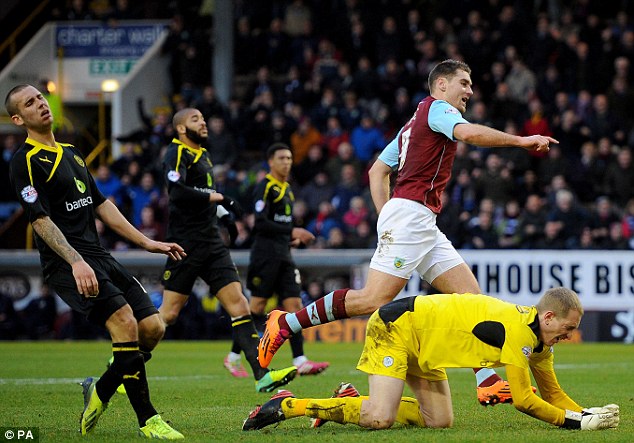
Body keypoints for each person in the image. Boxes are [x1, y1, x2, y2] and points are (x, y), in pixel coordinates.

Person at [259, 59, 557, 405]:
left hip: (419, 219)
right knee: (372, 299)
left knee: (472, 300)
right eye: (464, 82)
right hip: (411, 216)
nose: (470, 91)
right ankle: (286, 324)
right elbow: (470, 134)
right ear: (441, 84)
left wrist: (387, 213)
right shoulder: (437, 110)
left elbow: (377, 171)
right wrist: (522, 141)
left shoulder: (411, 126)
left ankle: (488, 379)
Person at [6, 84, 186, 439]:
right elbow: (40, 219)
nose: (41, 104)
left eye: (41, 98)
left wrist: (147, 242)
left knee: (154, 328)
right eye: (30, 103)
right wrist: (75, 261)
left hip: (99, 256)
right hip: (66, 263)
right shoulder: (24, 162)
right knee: (124, 323)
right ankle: (148, 420)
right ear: (18, 118)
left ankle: (101, 389)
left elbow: (102, 206)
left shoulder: (73, 153)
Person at [244, 288, 620, 432]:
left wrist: (585, 412)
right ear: (549, 317)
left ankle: (348, 401)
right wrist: (576, 426)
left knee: (438, 421)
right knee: (379, 418)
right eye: (567, 328)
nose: (569, 336)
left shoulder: (542, 341)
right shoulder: (521, 332)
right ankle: (289, 405)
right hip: (397, 325)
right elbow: (523, 400)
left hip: (425, 339)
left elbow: (553, 394)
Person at [157, 108, 297, 392]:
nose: (203, 122)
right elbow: (178, 191)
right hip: (186, 244)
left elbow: (204, 194)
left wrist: (223, 216)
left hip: (212, 243)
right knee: (168, 314)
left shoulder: (204, 155)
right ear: (182, 129)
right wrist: (218, 198)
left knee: (240, 305)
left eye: (203, 118)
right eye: (196, 119)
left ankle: (262, 375)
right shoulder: (176, 154)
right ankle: (124, 361)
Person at [224, 143, 329, 377]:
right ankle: (232, 357)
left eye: (290, 158)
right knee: (256, 307)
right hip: (265, 256)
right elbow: (259, 222)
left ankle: (300, 359)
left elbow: (278, 225)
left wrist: (289, 238)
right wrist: (293, 232)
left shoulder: (288, 189)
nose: (287, 162)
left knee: (295, 307)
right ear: (271, 161)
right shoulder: (265, 186)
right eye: (282, 158)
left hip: (284, 255)